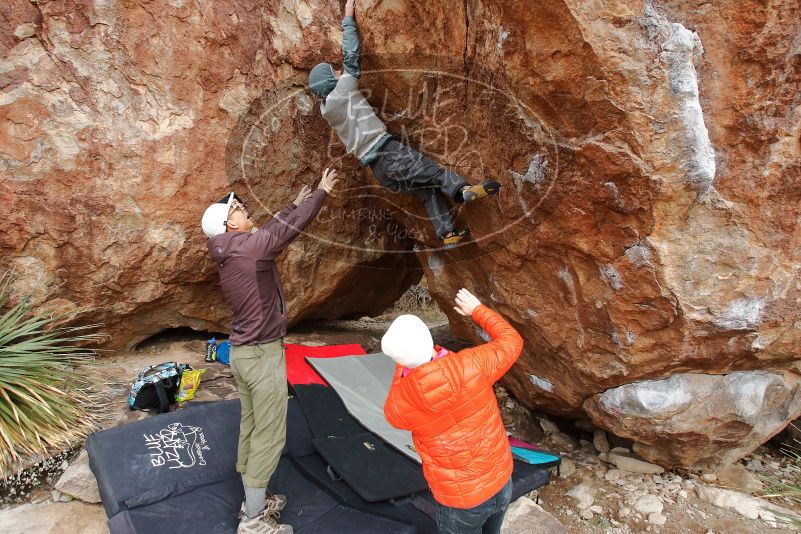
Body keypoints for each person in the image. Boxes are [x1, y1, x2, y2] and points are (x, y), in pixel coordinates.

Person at [201, 168, 339, 534]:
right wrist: (320, 194)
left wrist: (291, 202)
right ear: (229, 224)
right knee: (271, 433)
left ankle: (253, 499)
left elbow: (269, 230)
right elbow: (285, 231)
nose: (244, 208)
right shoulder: (249, 248)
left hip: (243, 355)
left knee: (251, 424)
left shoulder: (231, 249)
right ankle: (253, 521)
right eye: (237, 208)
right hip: (261, 356)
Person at [308, 0, 501, 248]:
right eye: (332, 72)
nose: (337, 72)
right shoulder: (341, 91)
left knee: (427, 190)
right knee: (435, 173)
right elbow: (351, 56)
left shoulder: (327, 110)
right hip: (389, 153)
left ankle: (447, 233)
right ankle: (462, 191)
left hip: (380, 171)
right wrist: (348, 19)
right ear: (329, 83)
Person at [382, 288, 524, 534]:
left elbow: (393, 413)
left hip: (460, 502)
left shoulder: (400, 402)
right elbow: (512, 341)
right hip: (501, 480)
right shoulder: (472, 364)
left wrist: (403, 367)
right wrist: (478, 310)